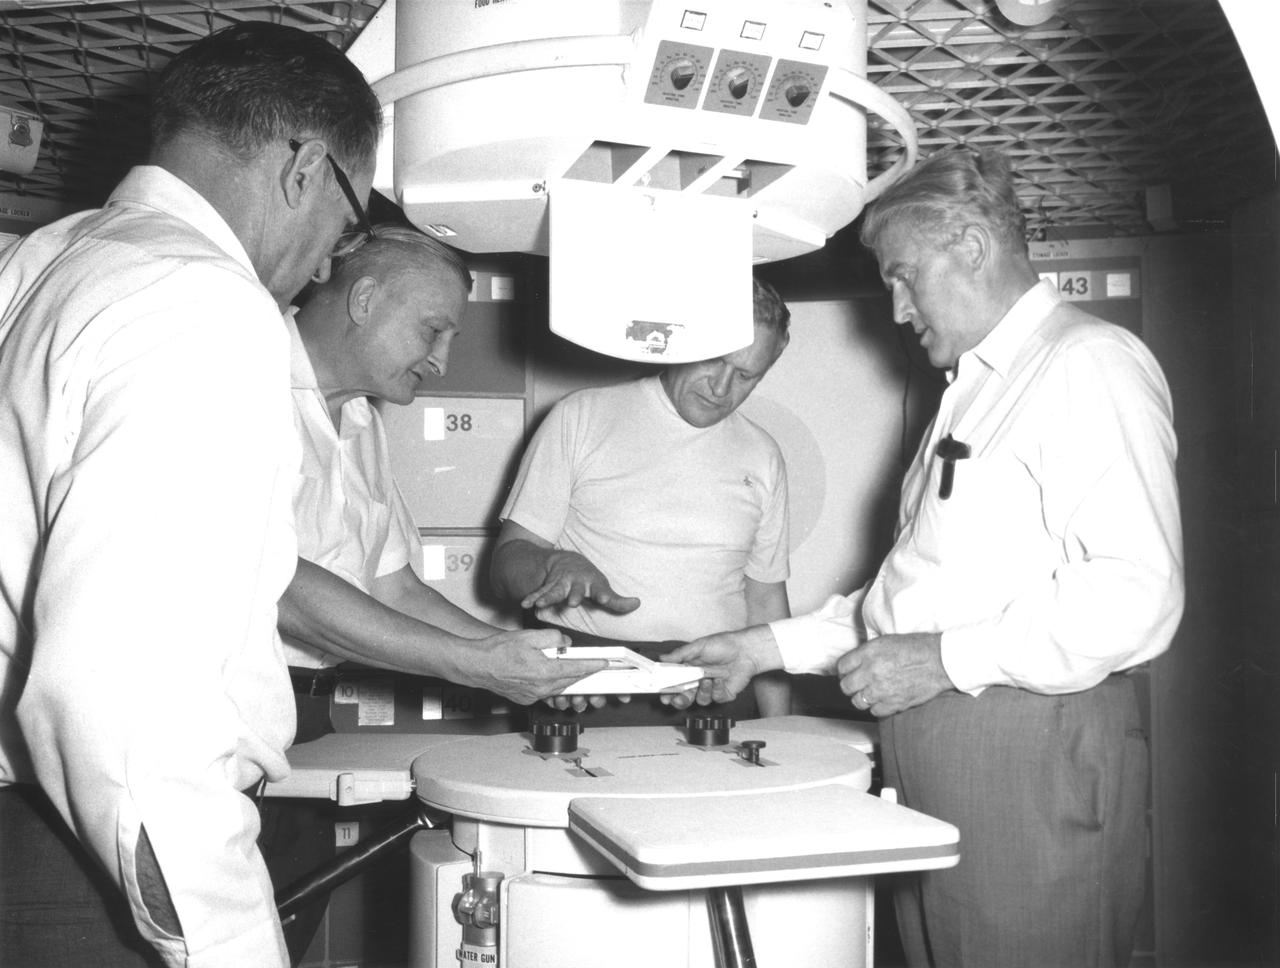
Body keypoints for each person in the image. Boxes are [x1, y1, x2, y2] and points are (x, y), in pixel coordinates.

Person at [667, 147, 1185, 967]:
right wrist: (763, 647)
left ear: (972, 248)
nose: (898, 309)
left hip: (1026, 749)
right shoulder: (976, 389)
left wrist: (944, 661)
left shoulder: (1086, 363)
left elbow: (1137, 593)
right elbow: (917, 598)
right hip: (946, 739)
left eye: (905, 276)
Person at [0, 22, 383, 968]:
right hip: (93, 858)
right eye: (349, 220)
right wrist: (232, 944)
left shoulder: (45, 260)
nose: (333, 259)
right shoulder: (206, 304)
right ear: (306, 170)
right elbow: (129, 709)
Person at [489, 277, 796, 720]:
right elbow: (504, 565)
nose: (721, 387)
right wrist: (551, 567)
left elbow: (766, 603)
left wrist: (780, 729)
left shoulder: (763, 454)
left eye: (746, 374)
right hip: (588, 686)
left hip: (713, 687)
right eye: (713, 359)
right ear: (676, 340)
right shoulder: (583, 416)